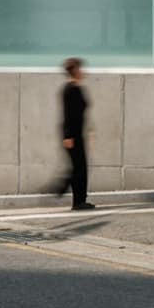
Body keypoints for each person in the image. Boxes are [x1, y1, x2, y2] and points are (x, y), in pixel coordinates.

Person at [61, 57, 96, 211]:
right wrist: (67, 136)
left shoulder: (78, 88)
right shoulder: (69, 90)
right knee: (78, 168)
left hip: (78, 133)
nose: (83, 71)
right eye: (80, 68)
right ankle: (75, 200)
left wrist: (89, 131)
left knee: (80, 168)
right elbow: (67, 114)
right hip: (72, 135)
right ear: (74, 70)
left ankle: (80, 200)